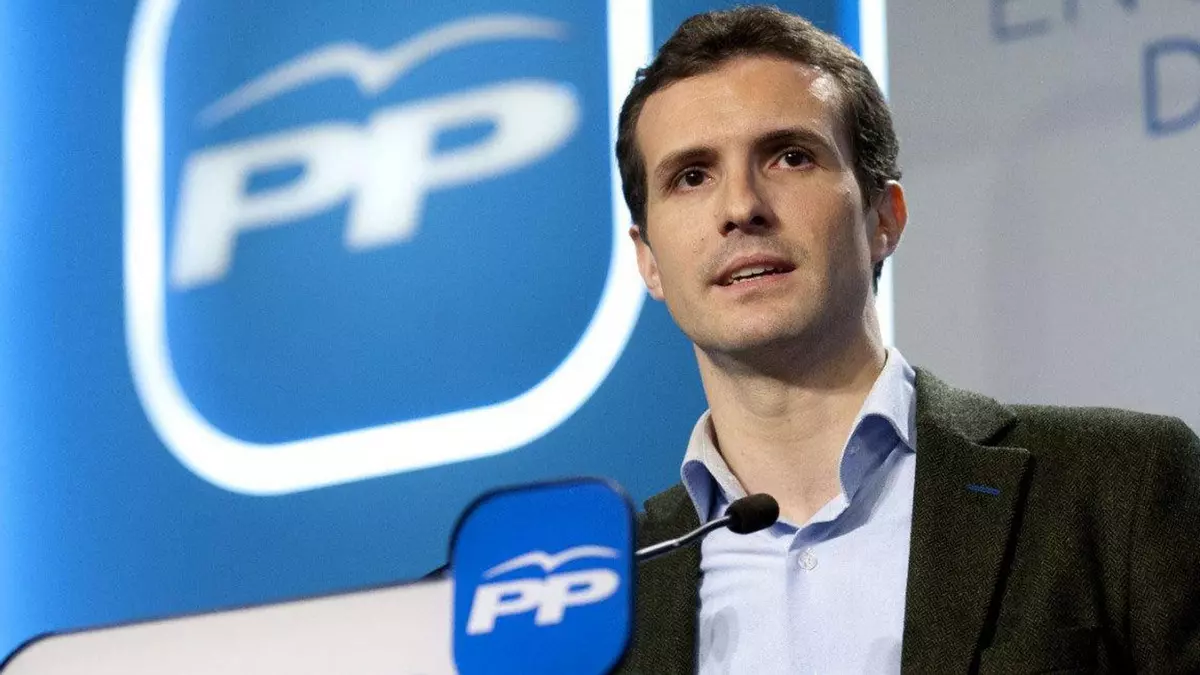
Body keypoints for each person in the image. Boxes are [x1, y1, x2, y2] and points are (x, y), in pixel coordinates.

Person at [611, 6, 1200, 674]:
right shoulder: (607, 594)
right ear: (648, 260)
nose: (741, 207)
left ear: (883, 218)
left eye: (790, 157)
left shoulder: (1118, 485)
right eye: (692, 176)